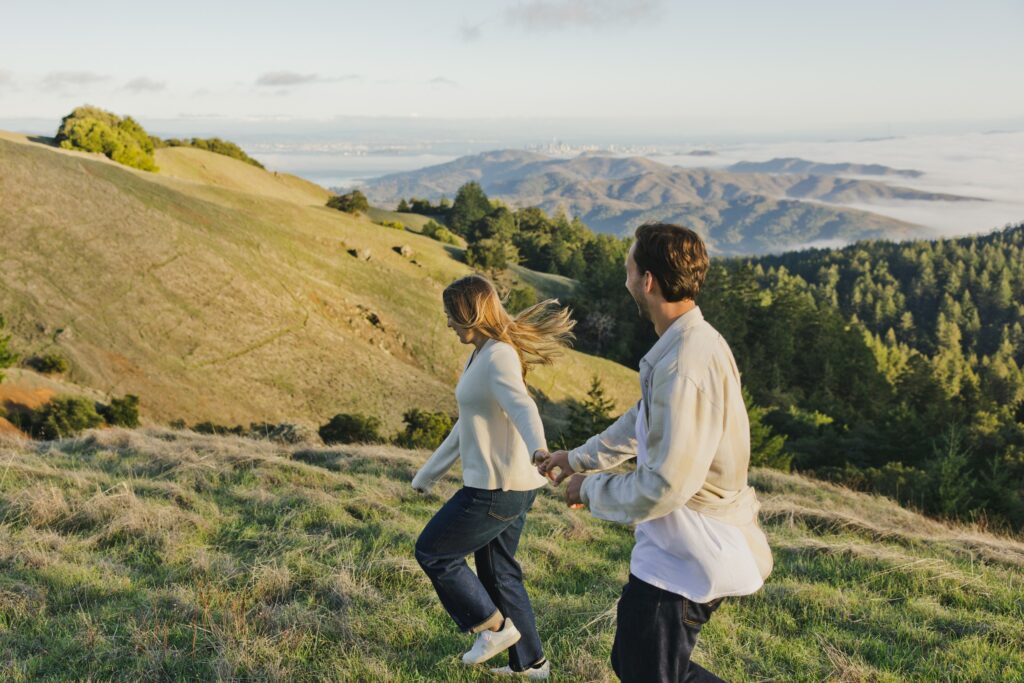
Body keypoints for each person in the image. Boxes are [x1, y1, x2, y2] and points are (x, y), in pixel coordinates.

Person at [537, 223, 773, 683]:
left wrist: (591, 489)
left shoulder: (685, 363)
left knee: (646, 670)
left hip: (687, 552)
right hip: (678, 545)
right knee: (636, 662)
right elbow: (643, 419)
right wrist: (578, 458)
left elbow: (666, 484)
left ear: (647, 281)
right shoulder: (686, 345)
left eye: (628, 270)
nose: (625, 280)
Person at [412, 274, 575, 680]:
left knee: (434, 552)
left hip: (496, 491)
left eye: (451, 315)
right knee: (499, 574)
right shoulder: (482, 352)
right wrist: (427, 474)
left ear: (470, 314)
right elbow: (466, 424)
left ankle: (493, 627)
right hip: (511, 489)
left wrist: (540, 449)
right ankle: (532, 665)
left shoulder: (498, 354)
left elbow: (523, 408)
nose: (448, 322)